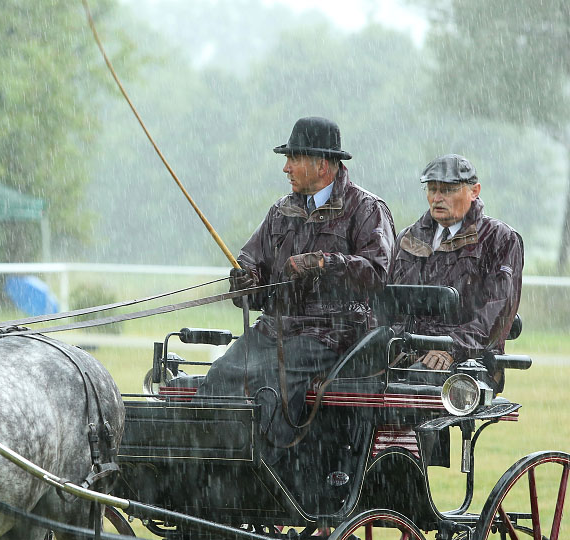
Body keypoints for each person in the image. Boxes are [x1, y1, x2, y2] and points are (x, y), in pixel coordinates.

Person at [196, 116, 395, 449]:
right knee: (220, 376)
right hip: (275, 328)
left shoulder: (366, 209)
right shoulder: (280, 211)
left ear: (322, 165)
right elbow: (252, 261)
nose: (286, 168)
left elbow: (376, 272)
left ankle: (269, 464)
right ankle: (217, 463)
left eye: (294, 159)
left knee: (269, 381)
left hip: (335, 332)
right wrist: (246, 278)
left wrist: (322, 263)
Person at [389, 154, 523, 370]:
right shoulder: (408, 237)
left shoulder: (500, 238)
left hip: (470, 362)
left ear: (474, 191)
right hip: (402, 355)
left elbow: (497, 310)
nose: (437, 198)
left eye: (448, 190)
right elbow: (387, 302)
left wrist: (451, 349)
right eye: (432, 190)